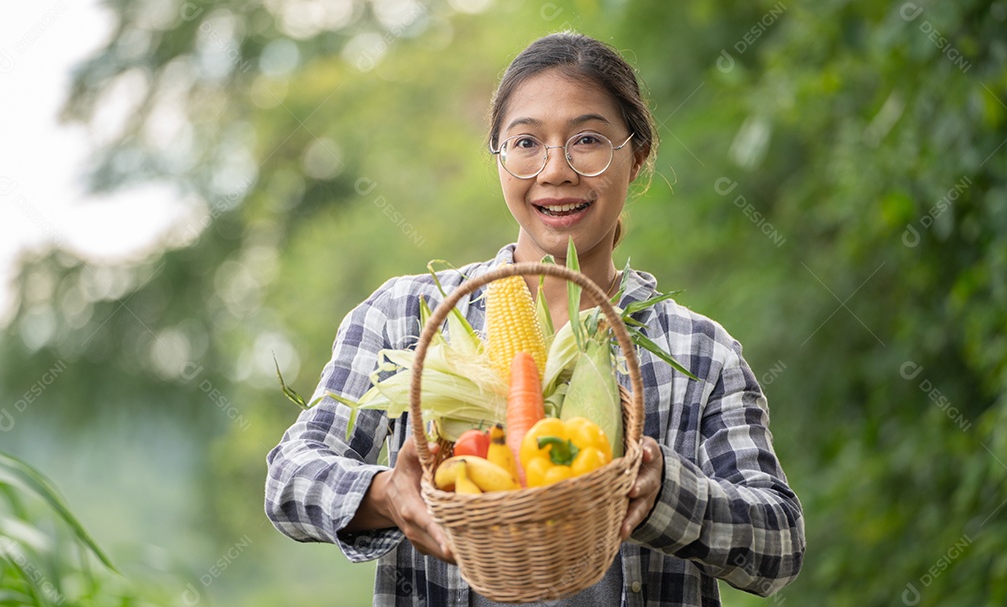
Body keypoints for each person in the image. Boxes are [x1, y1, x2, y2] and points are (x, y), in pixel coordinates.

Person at [265, 32, 805, 606]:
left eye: (588, 140)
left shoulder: (701, 352)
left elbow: (780, 547)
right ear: (498, 156)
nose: (556, 171)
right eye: (526, 142)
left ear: (638, 154)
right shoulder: (403, 316)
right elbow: (290, 478)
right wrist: (387, 494)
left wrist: (667, 492)